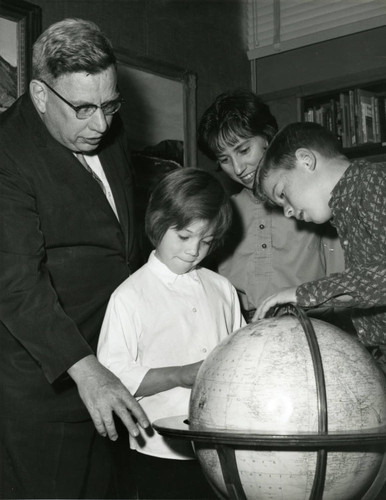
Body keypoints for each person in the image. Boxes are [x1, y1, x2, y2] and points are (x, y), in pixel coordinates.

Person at [0, 18, 150, 499]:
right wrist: (86, 371)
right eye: (84, 108)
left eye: (110, 105)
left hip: (113, 363)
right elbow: (16, 282)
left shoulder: (107, 124)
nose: (101, 124)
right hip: (48, 384)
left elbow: (119, 240)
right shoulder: (6, 152)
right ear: (41, 95)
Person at [97, 168, 245, 499]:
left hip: (220, 446)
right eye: (184, 236)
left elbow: (241, 356)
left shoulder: (222, 288)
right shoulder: (129, 296)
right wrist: (179, 375)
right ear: (158, 223)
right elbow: (113, 375)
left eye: (206, 241)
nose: (194, 250)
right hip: (160, 450)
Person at [198, 89, 344, 321]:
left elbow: (343, 282)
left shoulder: (310, 202)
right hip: (245, 331)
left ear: (267, 137)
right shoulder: (222, 211)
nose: (237, 168)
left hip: (312, 325)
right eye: (224, 159)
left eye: (244, 150)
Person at [254, 121, 386, 372]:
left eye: (282, 193)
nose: (289, 211)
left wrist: (303, 292)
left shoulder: (375, 183)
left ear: (306, 160)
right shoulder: (346, 212)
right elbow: (366, 286)